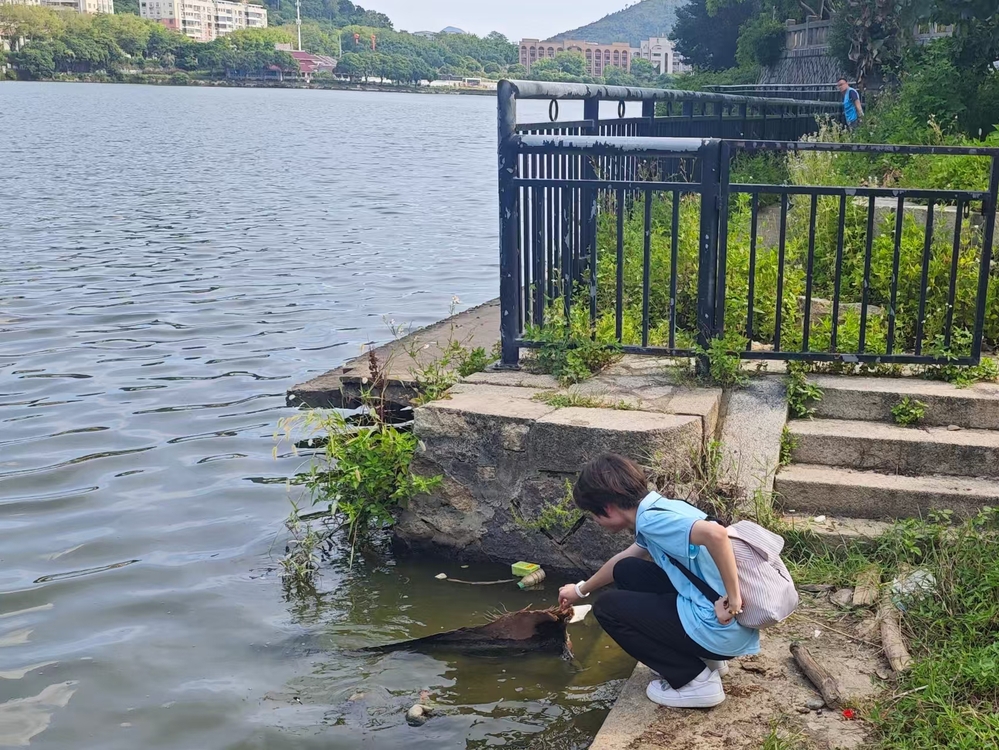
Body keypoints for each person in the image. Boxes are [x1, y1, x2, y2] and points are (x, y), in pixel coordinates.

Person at [558, 453, 760, 709]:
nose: (596, 522)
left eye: (593, 515)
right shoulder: (659, 509)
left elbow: (716, 535)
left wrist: (733, 601)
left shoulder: (653, 521)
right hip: (723, 624)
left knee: (607, 608)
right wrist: (580, 590)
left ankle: (695, 680)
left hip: (723, 626)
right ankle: (708, 661)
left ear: (607, 508)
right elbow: (623, 558)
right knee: (627, 570)